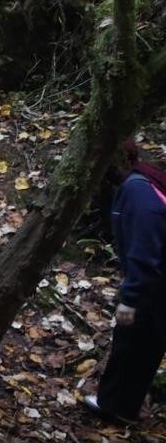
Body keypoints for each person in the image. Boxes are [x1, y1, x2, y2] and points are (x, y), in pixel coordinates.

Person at [83, 141, 166, 421]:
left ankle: (116, 404)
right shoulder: (138, 184)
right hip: (154, 285)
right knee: (137, 340)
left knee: (134, 335)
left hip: (154, 283)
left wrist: (129, 300)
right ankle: (117, 406)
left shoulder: (137, 190)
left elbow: (145, 250)